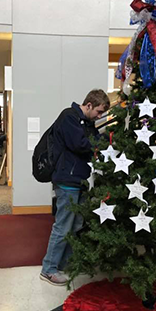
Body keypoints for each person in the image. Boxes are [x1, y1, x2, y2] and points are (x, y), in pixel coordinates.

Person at [40, 89, 110, 286]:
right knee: (63, 225)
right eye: (98, 112)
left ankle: (65, 263)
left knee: (77, 223)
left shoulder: (86, 122)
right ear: (88, 105)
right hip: (67, 180)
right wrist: (105, 139)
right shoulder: (69, 117)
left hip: (79, 180)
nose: (99, 116)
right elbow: (82, 145)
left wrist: (102, 140)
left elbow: (93, 141)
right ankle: (49, 269)